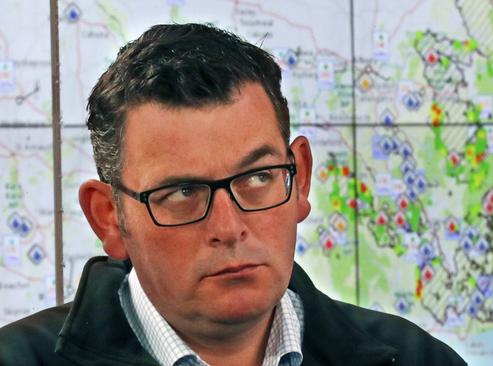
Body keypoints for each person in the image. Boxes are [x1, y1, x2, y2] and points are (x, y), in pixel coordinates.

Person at [0, 23, 466, 366]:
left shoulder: (419, 360)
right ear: (109, 218)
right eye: (182, 192)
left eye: (259, 178)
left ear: (300, 178)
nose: (228, 228)